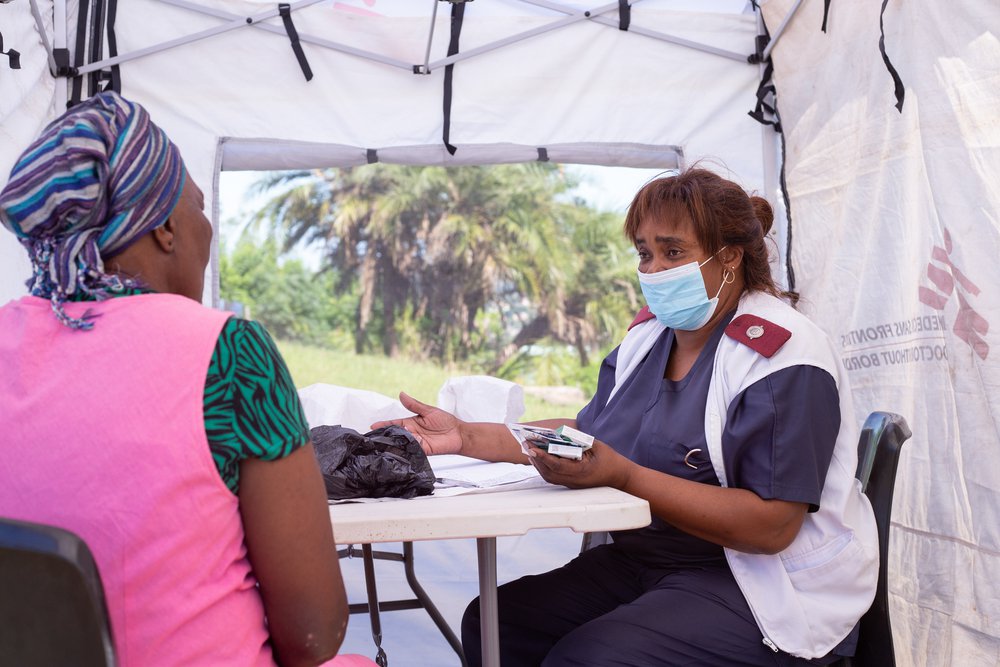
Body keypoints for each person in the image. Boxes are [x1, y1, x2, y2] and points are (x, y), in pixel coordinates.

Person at [376, 168, 879, 666]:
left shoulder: (781, 355)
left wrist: (625, 476)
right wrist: (465, 435)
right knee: (498, 624)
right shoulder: (648, 339)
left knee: (591, 658)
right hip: (650, 562)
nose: (654, 270)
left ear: (729, 257)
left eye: (673, 252)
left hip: (763, 581)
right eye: (645, 252)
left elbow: (771, 528)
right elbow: (588, 436)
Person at [0, 92, 373, 667]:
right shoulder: (230, 355)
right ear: (167, 229)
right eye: (200, 209)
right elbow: (313, 634)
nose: (209, 232)